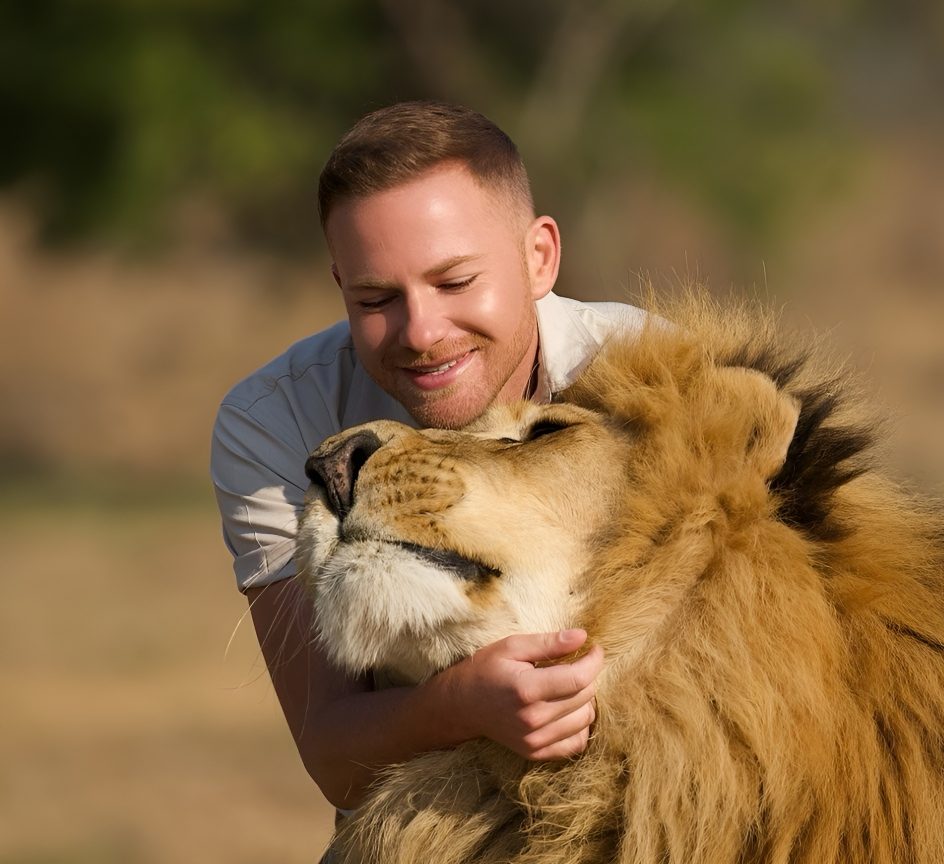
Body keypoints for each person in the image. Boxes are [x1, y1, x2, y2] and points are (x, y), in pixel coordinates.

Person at [210, 101, 642, 819]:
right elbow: (334, 762)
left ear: (539, 256)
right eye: (376, 297)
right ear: (339, 287)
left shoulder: (645, 380)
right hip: (426, 818)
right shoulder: (272, 423)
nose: (422, 332)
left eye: (454, 282)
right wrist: (460, 706)